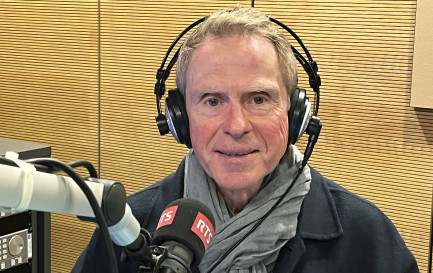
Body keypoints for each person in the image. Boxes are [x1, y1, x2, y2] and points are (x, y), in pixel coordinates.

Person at [72, 7, 419, 273]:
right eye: (212, 100)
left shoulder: (366, 238)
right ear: (180, 118)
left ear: (295, 114)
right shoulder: (125, 230)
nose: (236, 125)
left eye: (259, 99)